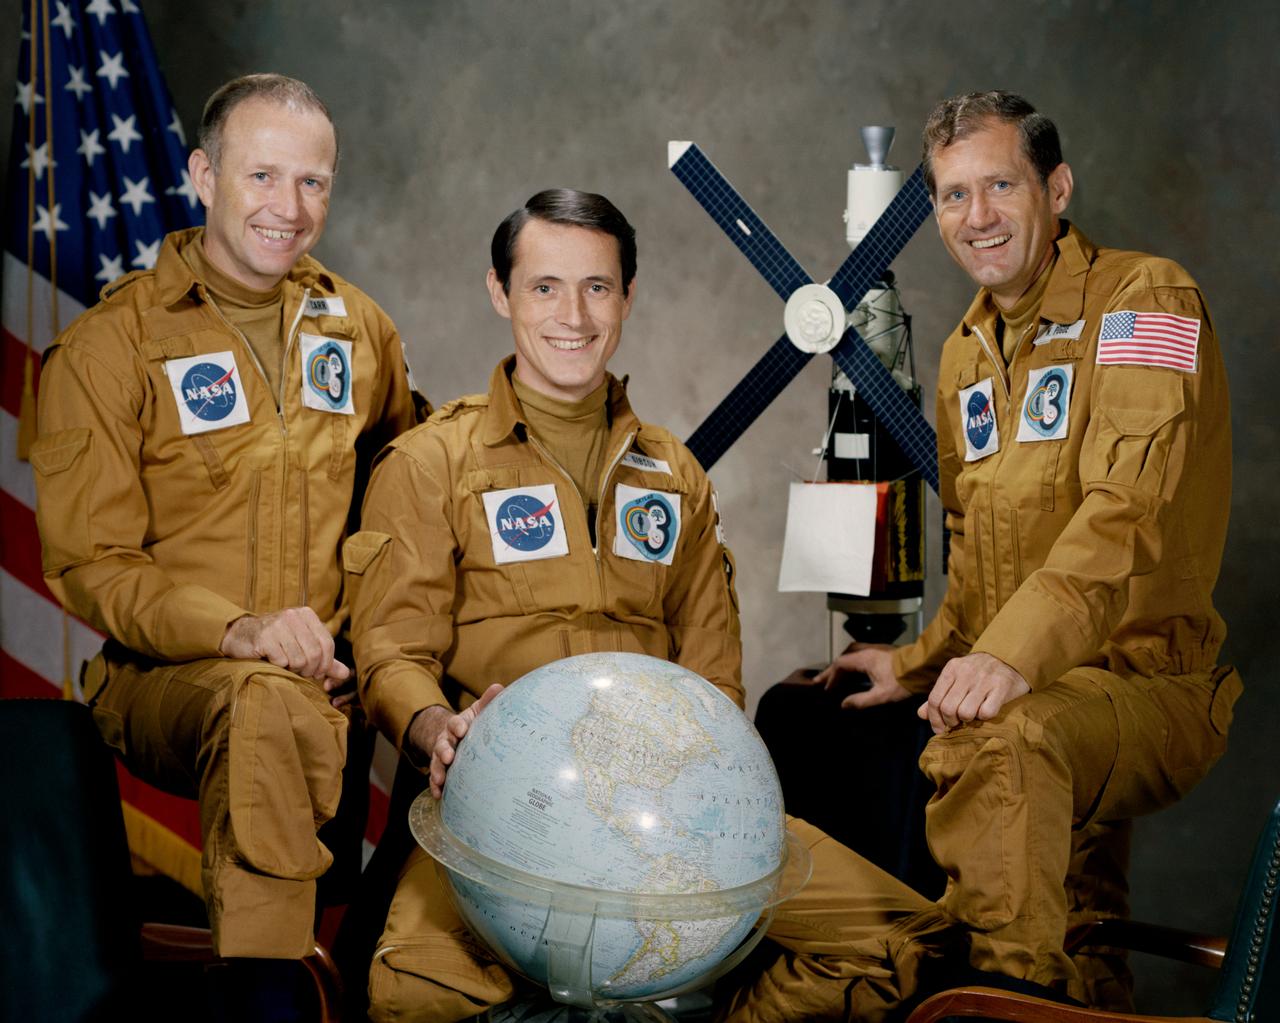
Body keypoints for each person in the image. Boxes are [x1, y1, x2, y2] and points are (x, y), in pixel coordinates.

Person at [346, 189, 959, 1023]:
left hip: (666, 810)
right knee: (412, 991)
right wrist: (434, 729)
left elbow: (713, 676)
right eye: (544, 286)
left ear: (628, 297)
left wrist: (688, 800)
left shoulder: (674, 477)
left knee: (902, 944)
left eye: (597, 287)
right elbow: (390, 653)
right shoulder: (429, 465)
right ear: (500, 292)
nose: (573, 314)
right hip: (497, 809)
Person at [817, 91, 1242, 1004]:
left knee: (999, 744)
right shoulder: (967, 353)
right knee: (1079, 927)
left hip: (1145, 682)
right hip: (1043, 683)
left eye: (1001, 185)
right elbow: (976, 558)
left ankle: (1000, 1003)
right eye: (953, 194)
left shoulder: (1143, 299)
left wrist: (1008, 658)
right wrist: (920, 661)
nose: (978, 217)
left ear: (1057, 187)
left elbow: (1126, 512)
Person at [31, 73, 422, 1000]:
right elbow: (93, 566)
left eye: (313, 183)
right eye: (262, 177)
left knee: (469, 700)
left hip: (329, 676)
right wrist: (240, 630)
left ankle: (402, 959)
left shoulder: (358, 329)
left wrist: (371, 641)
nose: (288, 209)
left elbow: (412, 496)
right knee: (260, 700)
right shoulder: (110, 346)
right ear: (204, 176)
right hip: (169, 679)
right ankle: (268, 988)